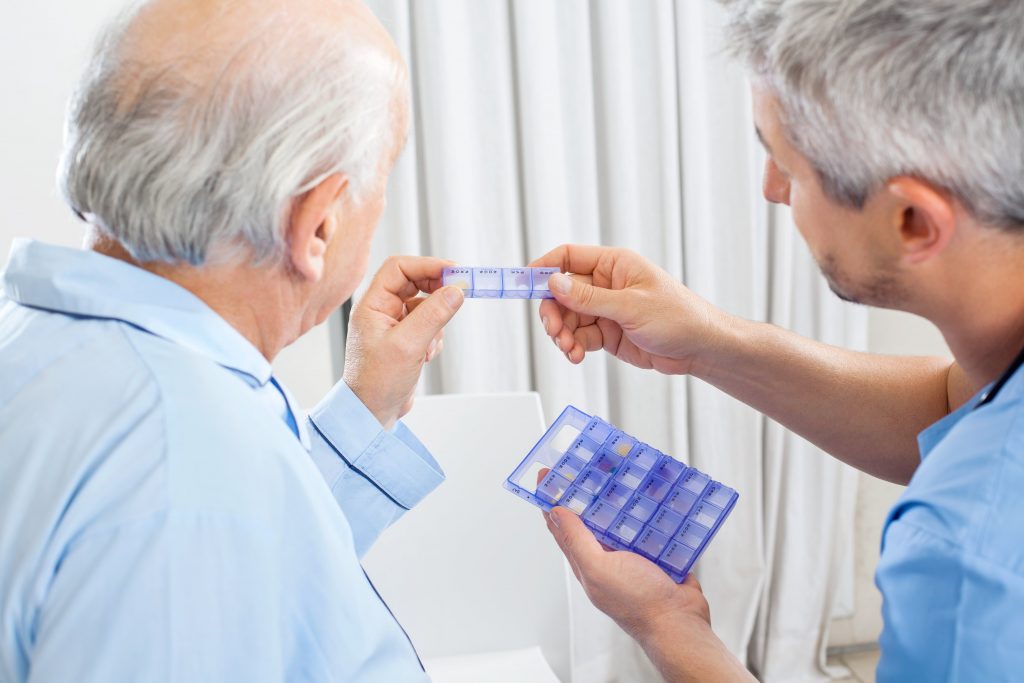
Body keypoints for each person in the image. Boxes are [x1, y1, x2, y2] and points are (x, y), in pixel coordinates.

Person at [532, 0, 1024, 681]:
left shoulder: (968, 554)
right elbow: (957, 407)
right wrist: (707, 341)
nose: (769, 190)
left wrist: (667, 624)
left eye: (787, 169)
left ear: (912, 220)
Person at [0, 0, 465, 680]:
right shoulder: (180, 456)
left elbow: (240, 568)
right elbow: (192, 524)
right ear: (319, 225)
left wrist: (365, 409)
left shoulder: (46, 346)